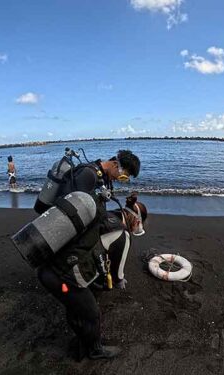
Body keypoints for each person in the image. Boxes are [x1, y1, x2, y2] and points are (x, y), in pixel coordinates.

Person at [34, 149, 141, 360]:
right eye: (125, 173)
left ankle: (82, 343)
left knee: (77, 308)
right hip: (63, 265)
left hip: (63, 264)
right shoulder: (88, 175)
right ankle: (94, 350)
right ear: (115, 163)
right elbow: (70, 211)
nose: (123, 178)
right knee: (91, 313)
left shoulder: (100, 178)